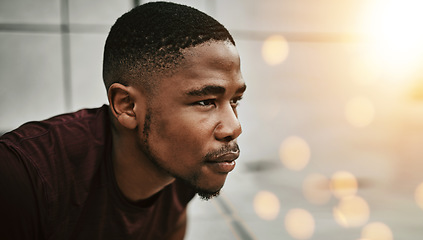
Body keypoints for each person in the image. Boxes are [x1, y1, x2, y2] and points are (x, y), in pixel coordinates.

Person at [0, 2, 246, 239]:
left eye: (234, 100)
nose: (234, 127)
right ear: (127, 106)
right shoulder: (22, 176)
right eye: (205, 101)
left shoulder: (184, 172)